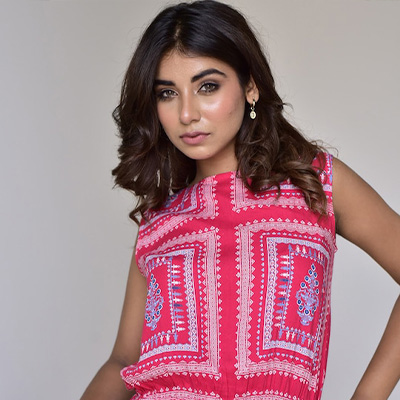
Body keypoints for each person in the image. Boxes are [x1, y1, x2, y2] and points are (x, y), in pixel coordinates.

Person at [81, 1, 400, 399]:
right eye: (167, 93)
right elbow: (123, 361)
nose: (186, 113)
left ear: (250, 86)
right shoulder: (158, 219)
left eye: (207, 86)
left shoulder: (315, 182)